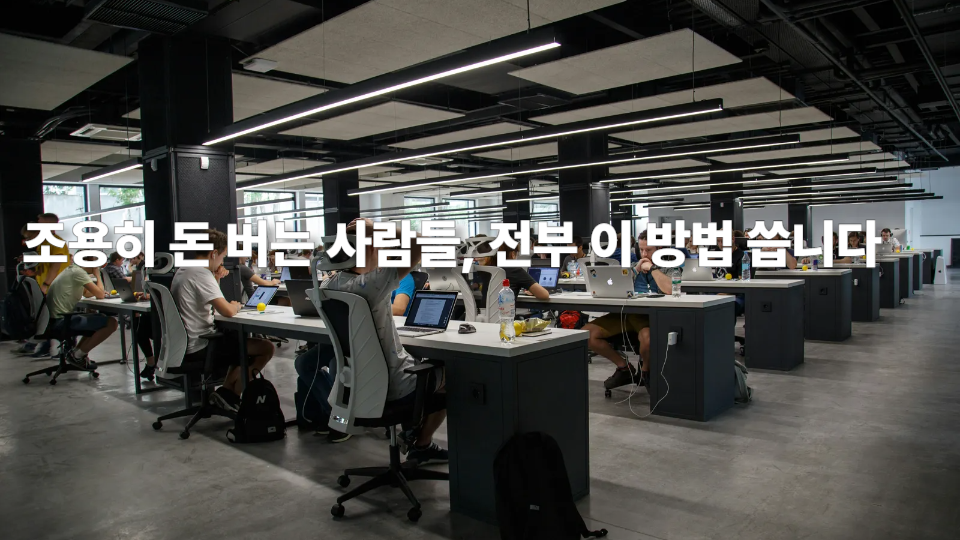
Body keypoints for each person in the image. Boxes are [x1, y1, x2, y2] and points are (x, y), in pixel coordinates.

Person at [323, 218, 448, 465]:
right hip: (394, 386)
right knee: (452, 372)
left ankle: (412, 432)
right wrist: (377, 227)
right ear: (369, 248)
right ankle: (421, 443)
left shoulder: (330, 284)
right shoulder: (371, 283)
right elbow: (419, 243)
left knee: (420, 365)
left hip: (355, 387)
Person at [171, 229, 275, 412]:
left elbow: (209, 298)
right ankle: (230, 395)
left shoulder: (184, 270)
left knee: (238, 342)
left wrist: (216, 278)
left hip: (185, 344)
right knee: (266, 347)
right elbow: (226, 310)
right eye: (223, 256)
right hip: (200, 345)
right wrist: (236, 306)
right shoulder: (201, 274)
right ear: (213, 253)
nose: (222, 261)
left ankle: (225, 395)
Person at [582, 231, 679, 390]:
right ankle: (624, 368)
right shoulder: (633, 267)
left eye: (649, 250)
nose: (644, 254)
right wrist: (635, 271)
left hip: (650, 316)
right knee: (587, 334)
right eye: (641, 250)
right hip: (627, 314)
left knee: (647, 339)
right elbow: (615, 287)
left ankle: (646, 372)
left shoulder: (671, 267)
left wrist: (652, 268)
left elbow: (670, 289)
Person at [44, 263, 119, 370]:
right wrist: (97, 275)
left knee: (100, 316)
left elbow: (87, 293)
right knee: (112, 323)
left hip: (55, 319)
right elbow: (100, 295)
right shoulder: (79, 272)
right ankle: (78, 356)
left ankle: (76, 354)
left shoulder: (72, 270)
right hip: (61, 321)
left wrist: (98, 291)